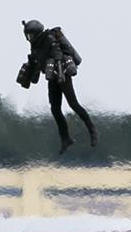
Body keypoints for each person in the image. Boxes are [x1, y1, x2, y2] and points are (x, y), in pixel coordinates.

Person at [17, 19, 99, 154]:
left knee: (73, 104)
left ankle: (92, 130)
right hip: (51, 78)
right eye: (27, 35)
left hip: (62, 75)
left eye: (30, 35)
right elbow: (36, 60)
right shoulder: (35, 45)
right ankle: (65, 139)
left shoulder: (49, 39)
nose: (28, 38)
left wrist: (60, 75)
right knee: (55, 109)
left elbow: (58, 56)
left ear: (36, 33)